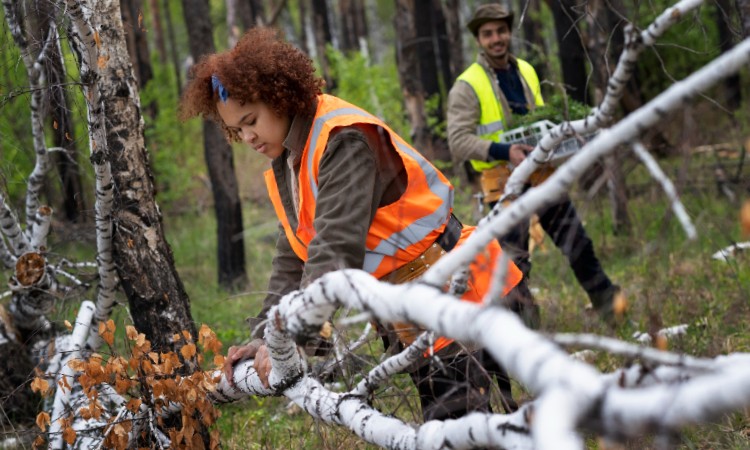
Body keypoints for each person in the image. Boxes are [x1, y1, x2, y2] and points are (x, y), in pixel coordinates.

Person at [180, 27, 538, 420]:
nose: (247, 136)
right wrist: (266, 336)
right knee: (471, 428)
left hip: (462, 291)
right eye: (236, 129)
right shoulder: (291, 157)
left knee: (460, 432)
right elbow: (294, 254)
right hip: (418, 308)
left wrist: (292, 337)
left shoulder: (342, 139)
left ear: (279, 97)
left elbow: (334, 249)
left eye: (251, 120)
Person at [447, 3, 621, 318]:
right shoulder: (467, 85)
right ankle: (525, 330)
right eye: (488, 34)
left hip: (541, 174)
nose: (496, 38)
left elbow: (542, 120)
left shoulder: (526, 70)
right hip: (504, 185)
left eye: (501, 31)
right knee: (514, 264)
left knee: (576, 241)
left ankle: (609, 305)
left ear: (508, 32)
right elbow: (458, 140)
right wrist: (505, 152)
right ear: (478, 39)